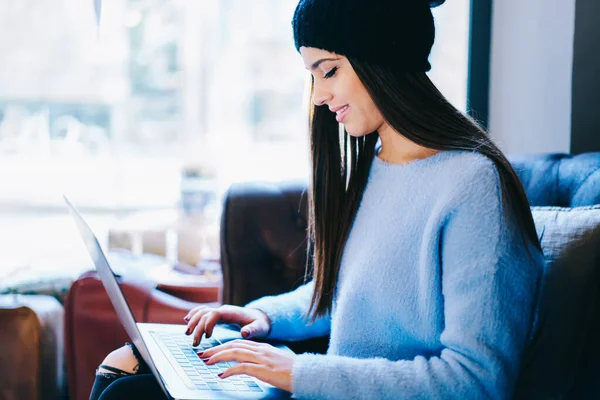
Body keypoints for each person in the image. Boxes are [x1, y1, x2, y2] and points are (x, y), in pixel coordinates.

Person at [90, 0, 545, 399]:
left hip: (322, 385)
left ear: (383, 55)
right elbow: (356, 296)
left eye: (329, 71)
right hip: (320, 387)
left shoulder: (475, 187)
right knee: (121, 370)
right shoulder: (379, 165)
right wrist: (263, 316)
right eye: (313, 76)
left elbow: (476, 382)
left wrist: (298, 372)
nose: (320, 96)